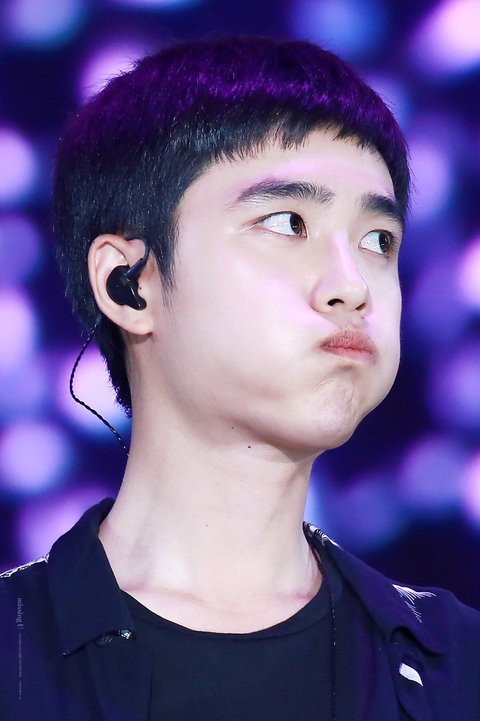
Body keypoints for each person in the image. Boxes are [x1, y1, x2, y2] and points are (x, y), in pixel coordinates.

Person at [1, 35, 479, 721]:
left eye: (379, 241)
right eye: (288, 223)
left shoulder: (456, 667)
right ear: (129, 283)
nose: (352, 286)